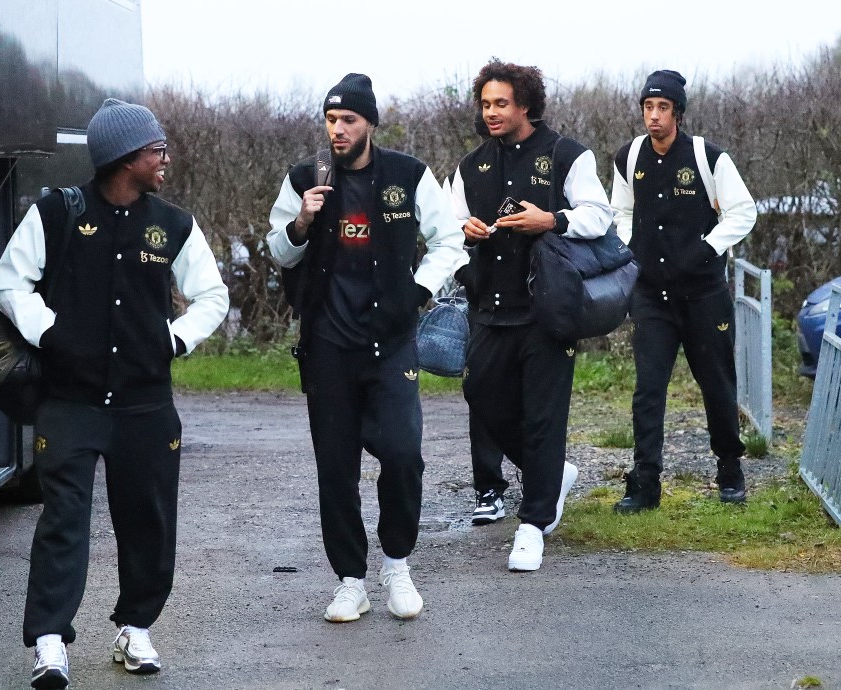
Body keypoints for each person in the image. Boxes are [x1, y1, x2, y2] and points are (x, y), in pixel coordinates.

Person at [0, 98, 229, 689]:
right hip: (69, 402)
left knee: (148, 520)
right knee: (64, 520)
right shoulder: (57, 213)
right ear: (125, 158)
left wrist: (173, 342)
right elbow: (7, 284)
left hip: (146, 405)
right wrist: (53, 334)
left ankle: (135, 627)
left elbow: (213, 297)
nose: (165, 159)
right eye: (156, 150)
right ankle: (50, 642)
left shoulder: (173, 224)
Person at [267, 73, 468, 623]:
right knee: (335, 467)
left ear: (370, 124)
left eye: (349, 120)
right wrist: (302, 220)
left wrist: (419, 290)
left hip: (391, 341)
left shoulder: (407, 174)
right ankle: (349, 580)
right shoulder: (305, 177)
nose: (338, 129)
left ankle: (397, 564)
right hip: (328, 345)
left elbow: (449, 241)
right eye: (331, 120)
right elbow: (278, 252)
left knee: (403, 454)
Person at [449, 59, 611, 571]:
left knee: (544, 417)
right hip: (489, 306)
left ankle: (532, 525)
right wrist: (464, 235)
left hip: (548, 309)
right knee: (481, 393)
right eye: (485, 104)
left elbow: (600, 215)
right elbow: (447, 228)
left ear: (525, 105)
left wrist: (553, 219)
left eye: (501, 104)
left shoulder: (567, 154)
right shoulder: (470, 165)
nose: (491, 113)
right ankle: (553, 474)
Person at [610, 70, 757, 512]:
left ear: (678, 112)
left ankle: (730, 469)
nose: (654, 117)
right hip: (651, 295)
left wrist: (705, 250)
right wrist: (630, 248)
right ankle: (645, 482)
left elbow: (743, 212)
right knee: (648, 390)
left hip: (703, 293)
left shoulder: (706, 156)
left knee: (716, 382)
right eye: (648, 108)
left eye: (663, 108)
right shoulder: (628, 156)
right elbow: (619, 210)